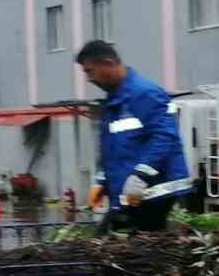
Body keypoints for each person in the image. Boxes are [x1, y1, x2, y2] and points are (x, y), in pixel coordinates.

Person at [77, 41, 193, 232]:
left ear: (107, 63)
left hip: (152, 192)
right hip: (131, 193)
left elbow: (165, 137)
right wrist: (101, 182)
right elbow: (111, 150)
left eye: (90, 71)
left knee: (131, 245)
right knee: (109, 240)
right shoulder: (115, 101)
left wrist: (141, 175)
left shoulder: (144, 93)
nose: (89, 79)